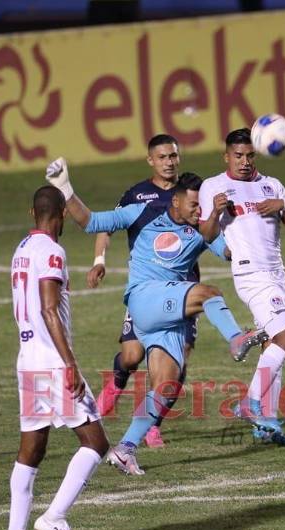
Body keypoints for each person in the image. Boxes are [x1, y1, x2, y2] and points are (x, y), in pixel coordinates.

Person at [46, 158, 266, 475]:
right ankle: (236, 339)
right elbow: (91, 222)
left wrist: (240, 221)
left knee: (166, 386)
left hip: (170, 317)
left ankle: (125, 449)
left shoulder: (203, 227)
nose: (197, 210)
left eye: (201, 205)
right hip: (145, 297)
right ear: (175, 200)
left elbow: (231, 252)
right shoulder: (143, 212)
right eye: (193, 204)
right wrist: (64, 187)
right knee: (209, 293)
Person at [2, 185, 109, 530]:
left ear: (33, 214)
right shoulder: (52, 251)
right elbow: (49, 309)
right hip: (51, 361)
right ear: (62, 214)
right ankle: (55, 517)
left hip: (28, 359)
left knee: (32, 448)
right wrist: (70, 365)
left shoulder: (21, 250)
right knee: (96, 443)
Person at [87, 134, 199, 448]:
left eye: (173, 156)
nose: (169, 162)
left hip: (183, 293)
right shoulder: (137, 196)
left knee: (176, 365)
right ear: (151, 160)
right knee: (132, 355)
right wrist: (99, 260)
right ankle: (116, 385)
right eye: (162, 157)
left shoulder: (192, 194)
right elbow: (106, 226)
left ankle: (152, 423)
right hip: (146, 291)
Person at [198, 128, 285, 446]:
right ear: (226, 156)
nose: (244, 162)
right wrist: (216, 211)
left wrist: (284, 207)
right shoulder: (214, 186)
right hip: (250, 274)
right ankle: (250, 402)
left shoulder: (271, 186)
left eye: (249, 156)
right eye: (237, 156)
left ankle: (266, 423)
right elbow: (205, 233)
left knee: (272, 344)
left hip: (277, 274)